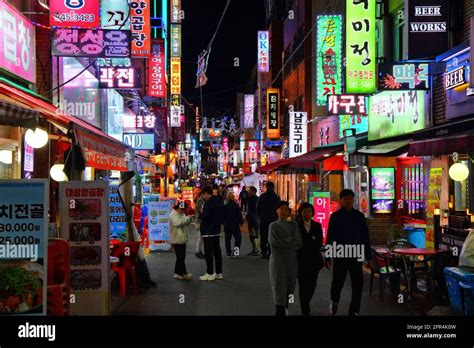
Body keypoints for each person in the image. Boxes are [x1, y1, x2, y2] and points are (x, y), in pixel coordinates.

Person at [326, 189, 372, 316]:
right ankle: (334, 301)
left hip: (356, 254)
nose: (348, 201)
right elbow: (330, 237)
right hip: (340, 254)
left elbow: (365, 237)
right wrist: (328, 256)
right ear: (341, 200)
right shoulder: (335, 217)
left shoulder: (359, 216)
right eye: (345, 199)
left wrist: (368, 256)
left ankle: (354, 310)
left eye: (350, 199)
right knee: (337, 282)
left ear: (353, 200)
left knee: (358, 284)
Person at [268, 201, 303, 316]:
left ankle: (287, 307)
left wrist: (284, 243)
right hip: (277, 262)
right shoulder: (273, 225)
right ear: (276, 210)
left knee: (290, 286)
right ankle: (280, 309)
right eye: (281, 209)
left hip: (292, 262)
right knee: (278, 287)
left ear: (289, 211)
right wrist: (290, 242)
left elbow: (299, 242)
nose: (283, 211)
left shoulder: (294, 225)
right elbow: (274, 243)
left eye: (286, 209)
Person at [296, 202, 324, 316]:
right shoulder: (296, 226)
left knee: (312, 285)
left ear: (312, 213)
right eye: (304, 211)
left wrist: (306, 243)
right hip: (300, 261)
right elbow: (296, 243)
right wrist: (310, 241)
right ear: (300, 213)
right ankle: (305, 309)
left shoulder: (317, 225)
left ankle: (305, 303)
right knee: (303, 285)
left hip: (314, 261)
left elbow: (319, 242)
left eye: (308, 211)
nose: (306, 214)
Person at [199, 186, 224, 281]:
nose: (203, 197)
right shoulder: (219, 200)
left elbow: (206, 216)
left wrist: (201, 215)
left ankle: (209, 273)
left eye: (203, 195)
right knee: (217, 252)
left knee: (208, 252)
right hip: (216, 231)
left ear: (206, 193)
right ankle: (219, 273)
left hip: (208, 231)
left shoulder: (208, 203)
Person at [257, 181, 281, 259]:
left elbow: (258, 208)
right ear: (273, 187)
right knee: (272, 236)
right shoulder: (276, 197)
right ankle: (271, 252)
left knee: (263, 236)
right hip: (273, 220)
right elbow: (279, 209)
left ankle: (264, 252)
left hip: (263, 219)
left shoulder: (262, 196)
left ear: (266, 187)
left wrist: (260, 217)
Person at [169, 202, 193, 280]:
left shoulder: (180, 214)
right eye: (181, 209)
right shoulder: (173, 215)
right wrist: (188, 219)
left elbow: (184, 221)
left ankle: (177, 273)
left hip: (181, 239)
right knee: (181, 257)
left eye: (184, 209)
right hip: (177, 239)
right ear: (177, 208)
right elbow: (178, 223)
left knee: (180, 257)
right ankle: (183, 273)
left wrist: (188, 219)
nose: (182, 211)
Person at [223, 192, 243, 257]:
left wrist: (223, 223)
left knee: (227, 239)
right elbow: (239, 215)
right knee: (238, 239)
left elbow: (222, 216)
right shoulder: (236, 205)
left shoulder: (225, 206)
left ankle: (228, 252)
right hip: (235, 225)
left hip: (227, 225)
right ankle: (236, 253)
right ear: (233, 198)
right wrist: (241, 222)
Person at [246, 186, 260, 256]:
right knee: (254, 235)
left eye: (250, 191)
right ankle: (255, 249)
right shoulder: (254, 198)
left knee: (254, 235)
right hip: (254, 219)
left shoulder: (254, 199)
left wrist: (249, 215)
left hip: (254, 220)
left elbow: (254, 210)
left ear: (254, 191)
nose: (248, 192)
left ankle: (256, 249)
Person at [194, 191, 206, 259]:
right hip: (199, 221)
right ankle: (198, 251)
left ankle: (199, 251)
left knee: (201, 237)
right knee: (200, 237)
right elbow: (198, 209)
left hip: (201, 221)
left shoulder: (202, 200)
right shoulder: (200, 200)